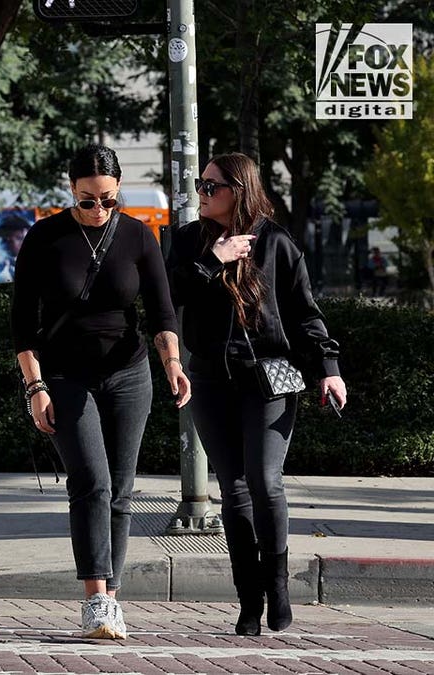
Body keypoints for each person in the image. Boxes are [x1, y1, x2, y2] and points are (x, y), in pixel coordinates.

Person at [10, 145, 189, 640]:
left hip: (129, 373)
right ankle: (94, 599)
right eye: (88, 200)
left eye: (109, 200)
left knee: (122, 488)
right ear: (71, 190)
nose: (99, 210)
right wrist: (35, 387)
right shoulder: (45, 238)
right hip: (65, 376)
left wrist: (172, 363)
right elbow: (22, 325)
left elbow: (161, 309)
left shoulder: (137, 236)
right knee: (91, 482)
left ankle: (112, 598)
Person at [167, 152, 346, 636]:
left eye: (212, 187)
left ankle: (279, 587)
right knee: (235, 491)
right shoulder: (187, 241)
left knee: (265, 482)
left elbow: (305, 313)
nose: (202, 194)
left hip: (269, 379)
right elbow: (169, 296)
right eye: (200, 186)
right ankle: (250, 601)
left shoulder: (276, 242)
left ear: (238, 192)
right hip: (210, 380)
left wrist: (329, 369)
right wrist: (213, 260)